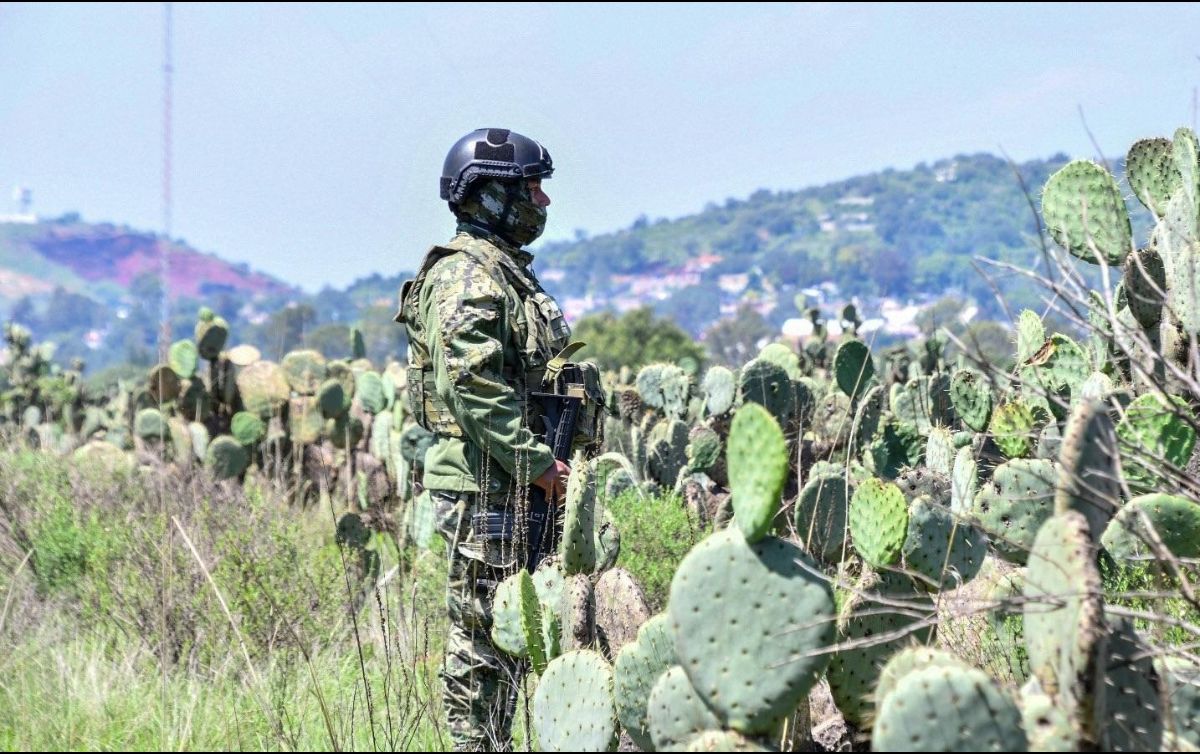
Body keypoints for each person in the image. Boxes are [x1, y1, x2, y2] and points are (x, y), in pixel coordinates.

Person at [395, 127, 574, 751]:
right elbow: (473, 389)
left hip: (513, 486)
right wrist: (537, 464)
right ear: (492, 196)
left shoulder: (503, 275)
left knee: (514, 634)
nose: (543, 203)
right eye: (532, 188)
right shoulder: (468, 277)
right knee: (482, 641)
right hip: (487, 490)